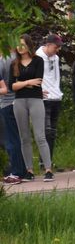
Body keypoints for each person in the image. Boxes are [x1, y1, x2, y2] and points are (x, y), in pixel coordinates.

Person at [9, 34, 54, 181]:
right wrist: (27, 82)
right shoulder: (14, 64)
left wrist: (20, 83)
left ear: (29, 45)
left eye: (23, 44)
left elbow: (38, 81)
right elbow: (12, 86)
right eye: (18, 45)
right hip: (19, 102)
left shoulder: (38, 61)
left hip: (35, 100)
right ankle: (29, 170)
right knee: (24, 138)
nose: (20, 48)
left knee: (40, 136)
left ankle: (48, 169)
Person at [36, 34, 64, 164]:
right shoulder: (37, 57)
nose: (57, 50)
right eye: (55, 47)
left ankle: (49, 160)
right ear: (48, 45)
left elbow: (56, 76)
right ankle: (43, 161)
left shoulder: (56, 58)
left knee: (52, 131)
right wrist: (38, 91)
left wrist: (58, 92)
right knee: (45, 131)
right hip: (44, 98)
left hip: (55, 97)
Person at [0, 51, 26, 185]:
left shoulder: (3, 60)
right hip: (16, 102)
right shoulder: (15, 58)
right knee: (15, 138)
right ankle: (22, 170)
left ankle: (15, 172)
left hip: (5, 103)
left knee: (10, 140)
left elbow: (4, 87)